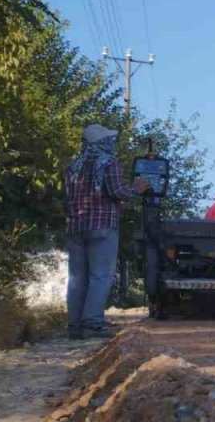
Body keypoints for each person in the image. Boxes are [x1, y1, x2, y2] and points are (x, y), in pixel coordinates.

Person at [64, 124, 150, 339]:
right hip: (101, 226)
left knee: (77, 278)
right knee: (100, 276)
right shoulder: (109, 162)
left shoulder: (73, 165)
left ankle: (74, 326)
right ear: (102, 143)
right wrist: (137, 189)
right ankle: (92, 324)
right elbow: (118, 192)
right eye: (108, 140)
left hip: (75, 226)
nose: (111, 143)